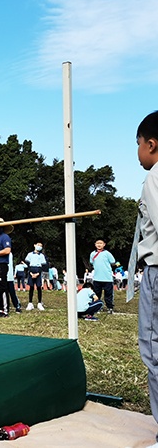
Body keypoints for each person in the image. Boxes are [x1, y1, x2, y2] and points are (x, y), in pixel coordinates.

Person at [135, 111, 158, 443]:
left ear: (151, 144)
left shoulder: (154, 177)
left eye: (137, 144)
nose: (138, 152)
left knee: (153, 349)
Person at [89, 238, 116, 313]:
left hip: (107, 278)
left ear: (104, 244)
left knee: (108, 294)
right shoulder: (92, 254)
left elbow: (113, 262)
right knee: (97, 294)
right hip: (97, 278)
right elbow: (91, 262)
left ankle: (109, 307)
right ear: (95, 244)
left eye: (101, 243)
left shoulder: (107, 253)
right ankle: (97, 307)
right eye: (97, 243)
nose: (99, 245)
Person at [25, 241, 47, 311]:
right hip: (31, 270)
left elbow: (43, 265)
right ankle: (30, 303)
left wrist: (38, 273)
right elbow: (27, 264)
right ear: (34, 245)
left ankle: (39, 303)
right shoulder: (30, 254)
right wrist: (31, 273)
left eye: (41, 246)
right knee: (31, 287)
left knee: (39, 287)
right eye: (38, 245)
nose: (39, 247)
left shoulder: (42, 256)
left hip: (38, 271)